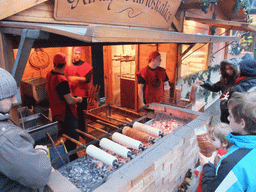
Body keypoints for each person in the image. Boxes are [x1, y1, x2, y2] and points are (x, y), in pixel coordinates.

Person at [0, 68, 52, 191]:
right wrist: (40, 153)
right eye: (10, 97)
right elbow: (39, 175)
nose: (15, 100)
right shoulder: (5, 137)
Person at [199, 91, 256, 192]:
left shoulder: (234, 163)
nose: (228, 119)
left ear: (242, 123)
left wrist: (207, 166)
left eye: (230, 116)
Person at [46, 53, 83, 161]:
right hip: (65, 113)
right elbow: (70, 100)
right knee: (73, 137)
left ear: (54, 63)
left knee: (63, 136)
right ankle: (72, 158)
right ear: (65, 64)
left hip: (55, 111)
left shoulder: (49, 74)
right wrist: (79, 99)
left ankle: (64, 156)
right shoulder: (61, 80)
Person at [197, 123, 232, 192]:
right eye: (209, 138)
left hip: (206, 185)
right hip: (205, 181)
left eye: (213, 139)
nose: (209, 141)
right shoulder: (222, 152)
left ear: (225, 143)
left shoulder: (218, 154)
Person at [64, 47, 93, 132]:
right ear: (73, 54)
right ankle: (74, 130)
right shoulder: (69, 66)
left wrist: (76, 78)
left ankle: (83, 132)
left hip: (82, 93)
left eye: (79, 54)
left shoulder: (86, 66)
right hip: (71, 93)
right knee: (72, 113)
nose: (77, 55)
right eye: (76, 53)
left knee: (81, 114)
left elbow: (87, 79)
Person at [220, 58, 256, 123]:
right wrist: (205, 83)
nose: (228, 71)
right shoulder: (224, 79)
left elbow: (227, 115)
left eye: (230, 68)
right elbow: (215, 87)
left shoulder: (238, 88)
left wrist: (224, 101)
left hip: (239, 125)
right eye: (226, 69)